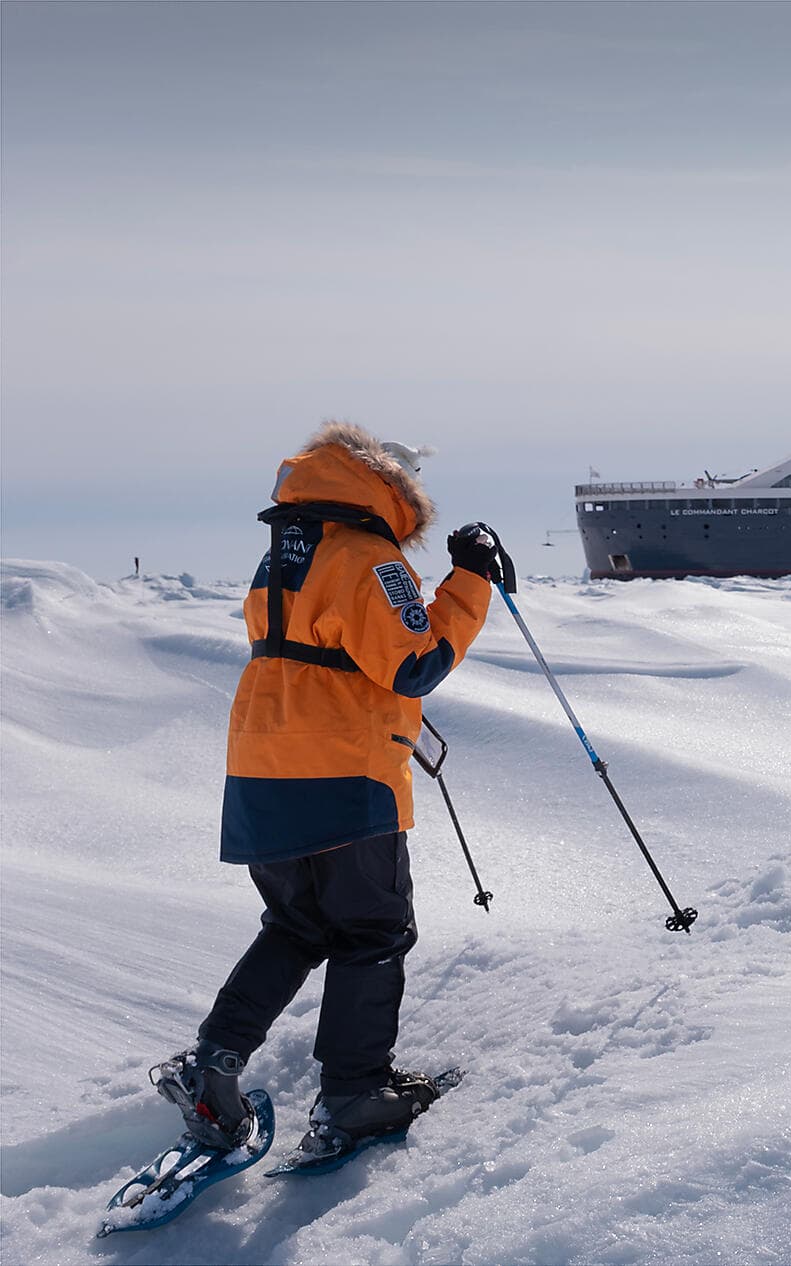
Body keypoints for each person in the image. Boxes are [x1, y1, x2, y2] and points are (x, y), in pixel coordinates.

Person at [151, 420, 505, 1162]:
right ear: (389, 491)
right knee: (372, 933)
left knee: (298, 925)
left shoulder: (283, 556)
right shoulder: (369, 558)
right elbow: (413, 665)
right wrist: (470, 580)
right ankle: (354, 1093)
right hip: (343, 772)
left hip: (262, 766)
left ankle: (214, 1060)